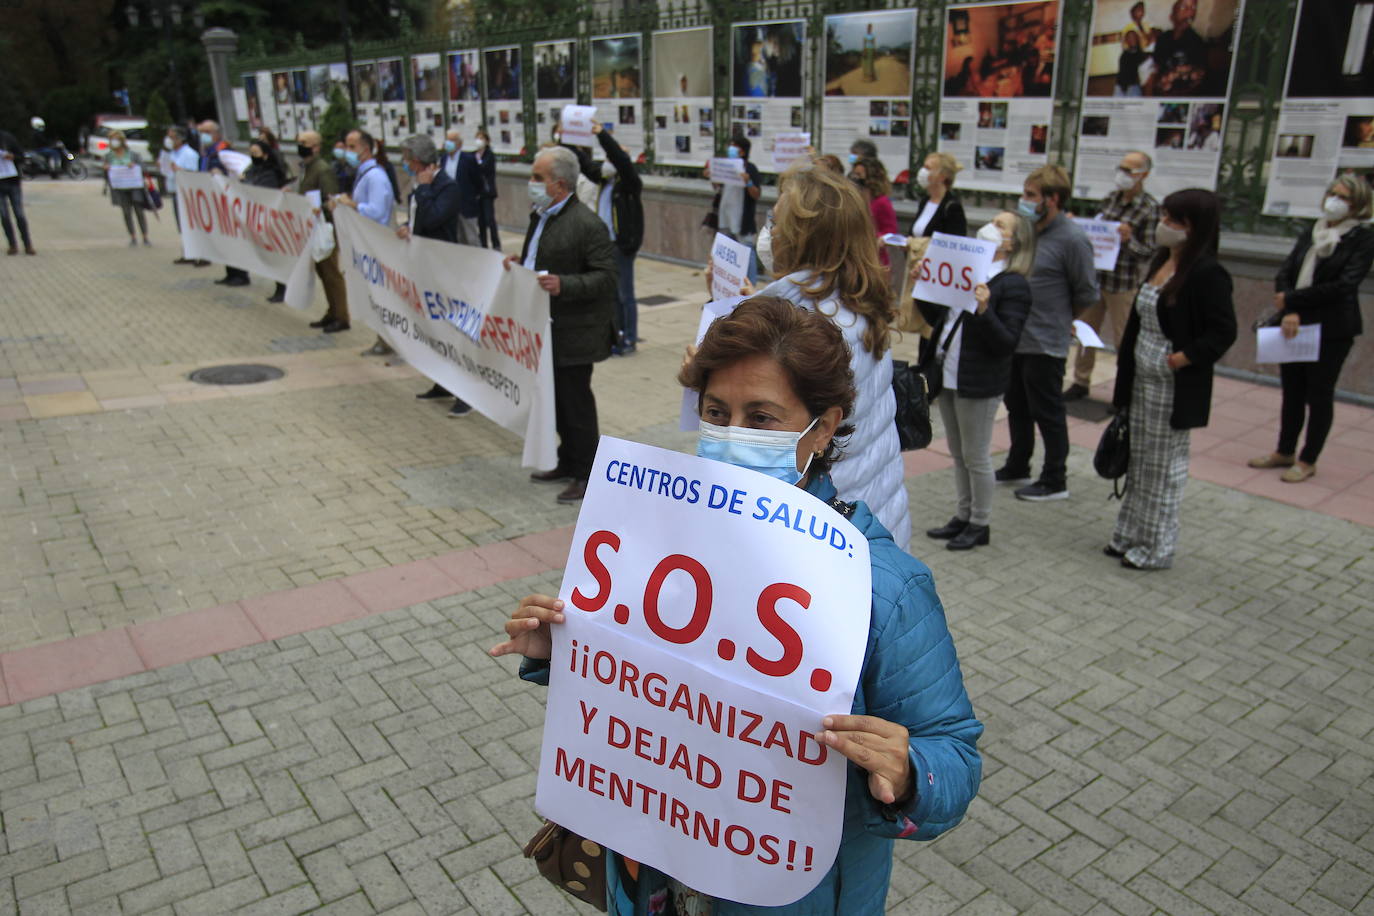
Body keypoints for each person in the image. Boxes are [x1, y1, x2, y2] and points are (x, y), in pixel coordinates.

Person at [490, 296, 983, 914]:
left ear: (822, 428)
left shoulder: (881, 585)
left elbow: (955, 755)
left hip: (790, 894)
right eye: (717, 413)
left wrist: (910, 773)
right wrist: (566, 648)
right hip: (650, 875)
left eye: (762, 417)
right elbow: (647, 687)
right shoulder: (656, 537)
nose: (730, 435)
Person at [752, 163, 911, 546]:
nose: (768, 232)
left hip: (826, 530)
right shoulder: (856, 301)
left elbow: (758, 431)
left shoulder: (804, 330)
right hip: (876, 515)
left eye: (776, 222)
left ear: (801, 238)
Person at [1110, 189, 1236, 569]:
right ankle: (1129, 534)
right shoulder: (1162, 259)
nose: (1163, 225)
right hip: (1141, 378)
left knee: (1162, 468)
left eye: (1172, 220)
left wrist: (1184, 358)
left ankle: (1155, 547)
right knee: (1139, 460)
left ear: (1193, 227)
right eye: (1164, 217)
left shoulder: (1207, 273)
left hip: (1170, 384)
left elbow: (1223, 330)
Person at [504, 145, 617, 504]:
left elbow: (606, 277)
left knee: (576, 404)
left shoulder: (587, 224)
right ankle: (567, 460)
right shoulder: (542, 215)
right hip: (546, 326)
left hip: (575, 331)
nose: (531, 183)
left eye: (538, 177)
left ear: (560, 184)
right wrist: (521, 264)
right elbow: (540, 257)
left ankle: (587, 473)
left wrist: (564, 284)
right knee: (556, 402)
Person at [921, 211, 1034, 551]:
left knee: (976, 455)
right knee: (959, 453)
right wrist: (923, 286)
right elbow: (938, 317)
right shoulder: (971, 269)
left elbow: (1006, 342)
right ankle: (963, 514)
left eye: (1000, 226)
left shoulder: (1013, 284)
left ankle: (980, 522)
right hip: (951, 373)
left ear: (1014, 243)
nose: (990, 228)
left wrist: (984, 310)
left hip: (979, 380)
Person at [1249, 176, 1374, 483]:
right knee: (1292, 391)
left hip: (1332, 328)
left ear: (1357, 204)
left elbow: (1345, 285)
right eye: (1332, 193)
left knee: (1318, 394)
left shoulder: (1363, 238)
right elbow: (1286, 271)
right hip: (1293, 323)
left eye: (1342, 197)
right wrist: (1290, 309)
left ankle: (1308, 459)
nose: (1333, 200)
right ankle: (1284, 451)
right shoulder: (1314, 229)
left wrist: (1293, 301)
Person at [998, 165, 1098, 501]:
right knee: (1017, 405)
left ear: (1052, 199)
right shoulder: (1027, 231)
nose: (1023, 200)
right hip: (1016, 336)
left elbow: (1087, 292)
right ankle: (1018, 464)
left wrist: (1065, 319)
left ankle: (1055, 478)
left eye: (1031, 195)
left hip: (1045, 340)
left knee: (1048, 411)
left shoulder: (1072, 239)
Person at [1066, 150, 1160, 400]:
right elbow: (1096, 232)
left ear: (1143, 175)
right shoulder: (1109, 199)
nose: (1122, 174)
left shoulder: (1149, 209)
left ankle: (1124, 391)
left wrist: (1129, 240)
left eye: (1129, 170)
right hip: (1097, 280)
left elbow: (1148, 252)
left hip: (1123, 283)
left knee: (1124, 341)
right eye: (1121, 168)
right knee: (1085, 332)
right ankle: (1080, 381)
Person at [332, 128, 396, 353]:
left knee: (381, 296)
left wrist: (353, 205)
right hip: (368, 244)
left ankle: (386, 341)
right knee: (374, 295)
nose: (347, 151)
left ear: (366, 149)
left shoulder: (375, 177)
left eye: (352, 147)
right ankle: (382, 339)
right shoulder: (365, 175)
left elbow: (377, 211)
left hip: (376, 244)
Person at [592, 123, 644, 355]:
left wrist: (602, 135)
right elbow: (584, 165)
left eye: (613, 157)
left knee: (625, 294)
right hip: (605, 243)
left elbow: (621, 161)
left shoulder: (629, 184)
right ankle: (617, 335)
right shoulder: (606, 182)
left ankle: (630, 338)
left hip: (621, 245)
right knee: (612, 294)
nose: (610, 161)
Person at [295, 130, 350, 334]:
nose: (300, 146)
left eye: (305, 142)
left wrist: (322, 209)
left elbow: (331, 198)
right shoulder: (307, 168)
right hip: (313, 227)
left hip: (325, 228)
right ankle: (332, 311)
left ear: (316, 147)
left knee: (331, 273)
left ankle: (341, 315)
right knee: (322, 272)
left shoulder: (322, 170)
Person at [199, 120, 251, 287]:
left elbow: (241, 169)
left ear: (216, 133)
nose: (203, 136)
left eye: (206, 132)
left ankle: (241, 275)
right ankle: (230, 273)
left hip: (228, 201)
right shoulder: (208, 152)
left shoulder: (223, 150)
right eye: (201, 132)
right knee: (224, 239)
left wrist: (223, 176)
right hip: (216, 201)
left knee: (234, 239)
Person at [243, 139, 291, 302]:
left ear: (265, 155)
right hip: (257, 217)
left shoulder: (270, 173)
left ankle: (282, 288)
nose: (253, 156)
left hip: (271, 220)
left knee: (276, 254)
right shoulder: (251, 170)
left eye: (256, 153)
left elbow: (264, 192)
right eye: (251, 153)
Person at [709, 134, 762, 283]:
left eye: (734, 146)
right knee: (727, 252)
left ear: (742, 151)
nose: (730, 149)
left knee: (747, 251)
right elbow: (717, 187)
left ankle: (751, 284)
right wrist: (713, 176)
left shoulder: (750, 168)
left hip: (742, 220)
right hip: (725, 217)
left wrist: (748, 182)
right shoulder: (727, 166)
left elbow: (756, 194)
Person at [103, 130, 151, 248]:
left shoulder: (132, 154)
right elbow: (106, 175)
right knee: (126, 212)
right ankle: (133, 236)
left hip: (134, 186)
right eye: (112, 140)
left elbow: (143, 168)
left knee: (139, 211)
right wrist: (106, 169)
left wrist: (134, 166)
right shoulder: (109, 156)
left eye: (116, 139)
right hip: (120, 188)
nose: (114, 142)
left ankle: (145, 236)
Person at [1150, 0, 1206, 96]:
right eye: (1183, 7)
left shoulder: (1197, 41)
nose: (1190, 11)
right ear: (1172, 16)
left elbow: (1199, 74)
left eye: (1193, 7)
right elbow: (1156, 67)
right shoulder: (1163, 38)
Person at [850, 156, 897, 268]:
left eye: (859, 174)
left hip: (875, 258)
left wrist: (877, 239)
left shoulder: (881, 202)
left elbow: (891, 230)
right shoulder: (857, 199)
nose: (855, 178)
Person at [438, 128, 483, 245]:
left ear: (459, 143)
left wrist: (472, 196)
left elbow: (478, 181)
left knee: (471, 238)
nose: (449, 143)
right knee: (457, 238)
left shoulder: (468, 159)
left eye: (452, 140)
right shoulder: (443, 159)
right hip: (450, 207)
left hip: (466, 206)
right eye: (447, 140)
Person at [162, 128, 201, 264]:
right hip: (175, 191)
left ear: (180, 139)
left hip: (186, 194)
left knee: (191, 224)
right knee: (182, 225)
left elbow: (193, 173)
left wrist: (179, 170)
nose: (169, 140)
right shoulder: (172, 153)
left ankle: (199, 253)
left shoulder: (189, 154)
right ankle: (187, 253)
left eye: (172, 137)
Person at [0, 126, 35, 255]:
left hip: (12, 181)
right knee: (4, 215)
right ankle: (12, 245)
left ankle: (27, 244)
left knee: (19, 214)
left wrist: (13, 156)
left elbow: (21, 156)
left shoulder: (7, 138)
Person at [473, 128, 501, 251]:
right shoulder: (474, 154)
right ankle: (483, 243)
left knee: (489, 218)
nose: (479, 141)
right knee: (481, 220)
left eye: (481, 138)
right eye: (477, 138)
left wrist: (478, 164)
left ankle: (495, 243)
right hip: (478, 192)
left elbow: (483, 168)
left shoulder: (489, 155)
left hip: (487, 191)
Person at [1115, 28, 1148, 97]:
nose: (1132, 39)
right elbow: (1121, 72)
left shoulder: (1142, 55)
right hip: (1121, 85)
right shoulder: (1124, 55)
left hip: (1134, 85)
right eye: (1129, 37)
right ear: (1126, 40)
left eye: (1134, 37)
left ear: (1137, 39)